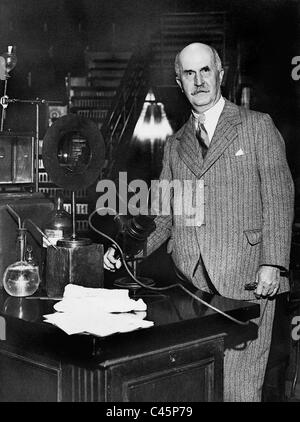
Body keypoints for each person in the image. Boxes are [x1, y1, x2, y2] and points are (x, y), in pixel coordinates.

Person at [103, 42, 294, 402]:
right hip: (191, 290)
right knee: (196, 389)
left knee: (239, 391)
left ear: (220, 74)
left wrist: (272, 263)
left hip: (247, 280)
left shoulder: (256, 126)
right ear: (179, 82)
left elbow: (280, 197)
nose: (199, 80)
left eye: (206, 70)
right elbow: (163, 215)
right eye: (189, 73)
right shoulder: (176, 145)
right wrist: (125, 250)